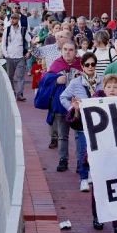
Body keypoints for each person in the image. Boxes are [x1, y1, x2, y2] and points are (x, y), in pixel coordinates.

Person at [86, 74, 117, 233]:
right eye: (109, 87)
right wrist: (76, 109)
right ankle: (98, 215)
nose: (112, 90)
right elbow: (76, 122)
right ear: (103, 88)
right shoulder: (94, 103)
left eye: (115, 87)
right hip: (100, 154)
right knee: (99, 185)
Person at [61, 53, 101, 192]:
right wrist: (72, 108)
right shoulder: (76, 82)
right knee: (83, 151)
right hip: (82, 123)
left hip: (99, 123)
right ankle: (83, 179)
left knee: (96, 150)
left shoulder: (102, 81)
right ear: (82, 66)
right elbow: (63, 97)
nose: (90, 67)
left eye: (93, 64)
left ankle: (91, 173)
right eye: (87, 64)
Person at [40, 41, 82, 171]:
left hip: (78, 106)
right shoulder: (56, 64)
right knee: (62, 136)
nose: (68, 52)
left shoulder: (82, 64)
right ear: (61, 51)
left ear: (75, 51)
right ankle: (63, 160)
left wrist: (83, 77)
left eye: (71, 50)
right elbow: (45, 80)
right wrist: (56, 80)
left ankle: (80, 161)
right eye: (65, 49)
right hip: (60, 106)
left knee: (79, 135)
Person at [2, 13, 29, 101]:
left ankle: (19, 94)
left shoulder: (23, 30)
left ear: (18, 20)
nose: (13, 20)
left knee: (20, 76)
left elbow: (30, 41)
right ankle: (12, 92)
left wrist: (29, 52)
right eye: (11, 18)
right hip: (9, 57)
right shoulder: (7, 30)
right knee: (10, 76)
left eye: (15, 18)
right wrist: (6, 55)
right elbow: (3, 43)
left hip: (20, 57)